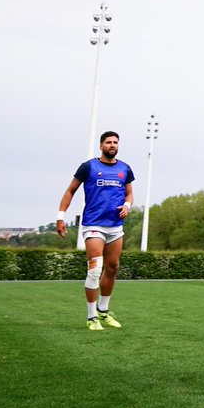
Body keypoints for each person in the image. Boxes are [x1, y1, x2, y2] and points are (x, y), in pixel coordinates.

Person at [56, 131, 134, 331]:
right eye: (108, 142)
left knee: (113, 268)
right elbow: (70, 190)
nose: (112, 145)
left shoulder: (125, 169)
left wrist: (127, 206)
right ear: (101, 146)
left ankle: (103, 311)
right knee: (94, 270)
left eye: (116, 142)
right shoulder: (88, 167)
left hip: (115, 227)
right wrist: (60, 217)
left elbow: (130, 193)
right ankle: (91, 317)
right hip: (93, 224)